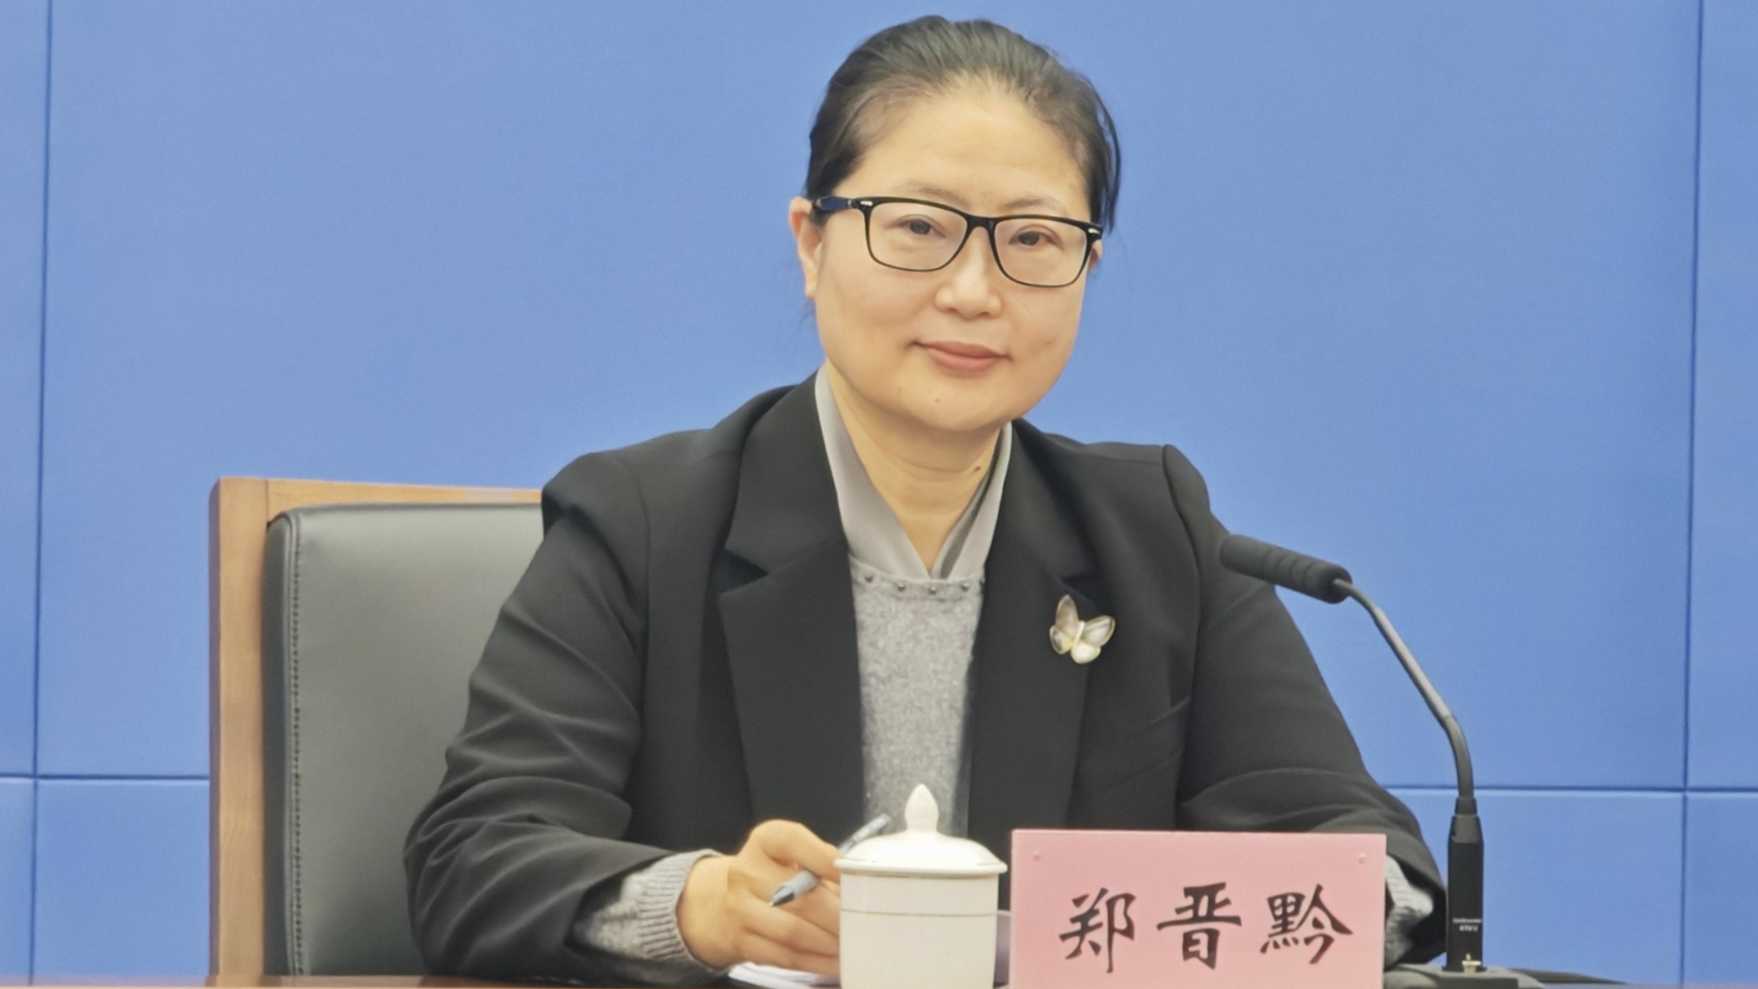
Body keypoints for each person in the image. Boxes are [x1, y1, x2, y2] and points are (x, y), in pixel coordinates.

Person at [404, 15, 1444, 986]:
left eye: (1033, 239)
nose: (974, 291)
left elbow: (1375, 873)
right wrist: (704, 906)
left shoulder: (1156, 533)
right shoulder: (642, 523)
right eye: (917, 226)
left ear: (1086, 266)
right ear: (812, 242)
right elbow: (475, 859)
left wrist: (1122, 927)